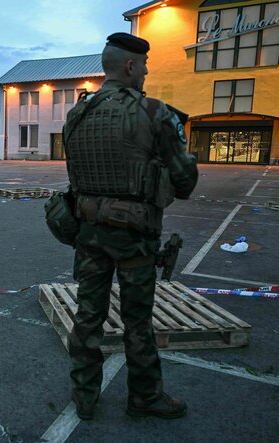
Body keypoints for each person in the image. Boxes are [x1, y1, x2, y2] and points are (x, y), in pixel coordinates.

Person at [63, 32, 198, 420]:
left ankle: (84, 397)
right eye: (144, 66)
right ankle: (144, 397)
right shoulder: (154, 112)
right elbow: (186, 183)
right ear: (130, 66)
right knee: (137, 320)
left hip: (88, 231)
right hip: (134, 237)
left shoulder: (78, 114)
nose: (147, 71)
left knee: (88, 313)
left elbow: (76, 176)